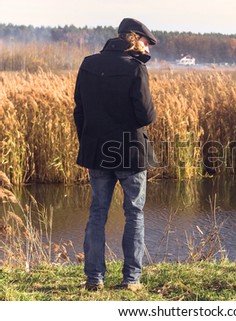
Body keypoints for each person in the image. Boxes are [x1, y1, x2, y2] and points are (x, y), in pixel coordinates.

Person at [73, 18, 157, 291]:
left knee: (97, 213)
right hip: (130, 151)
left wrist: (87, 144)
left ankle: (94, 279)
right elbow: (146, 115)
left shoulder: (88, 64)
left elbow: (80, 111)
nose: (148, 48)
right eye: (146, 42)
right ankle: (131, 280)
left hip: (97, 151)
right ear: (135, 39)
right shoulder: (135, 68)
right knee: (134, 212)